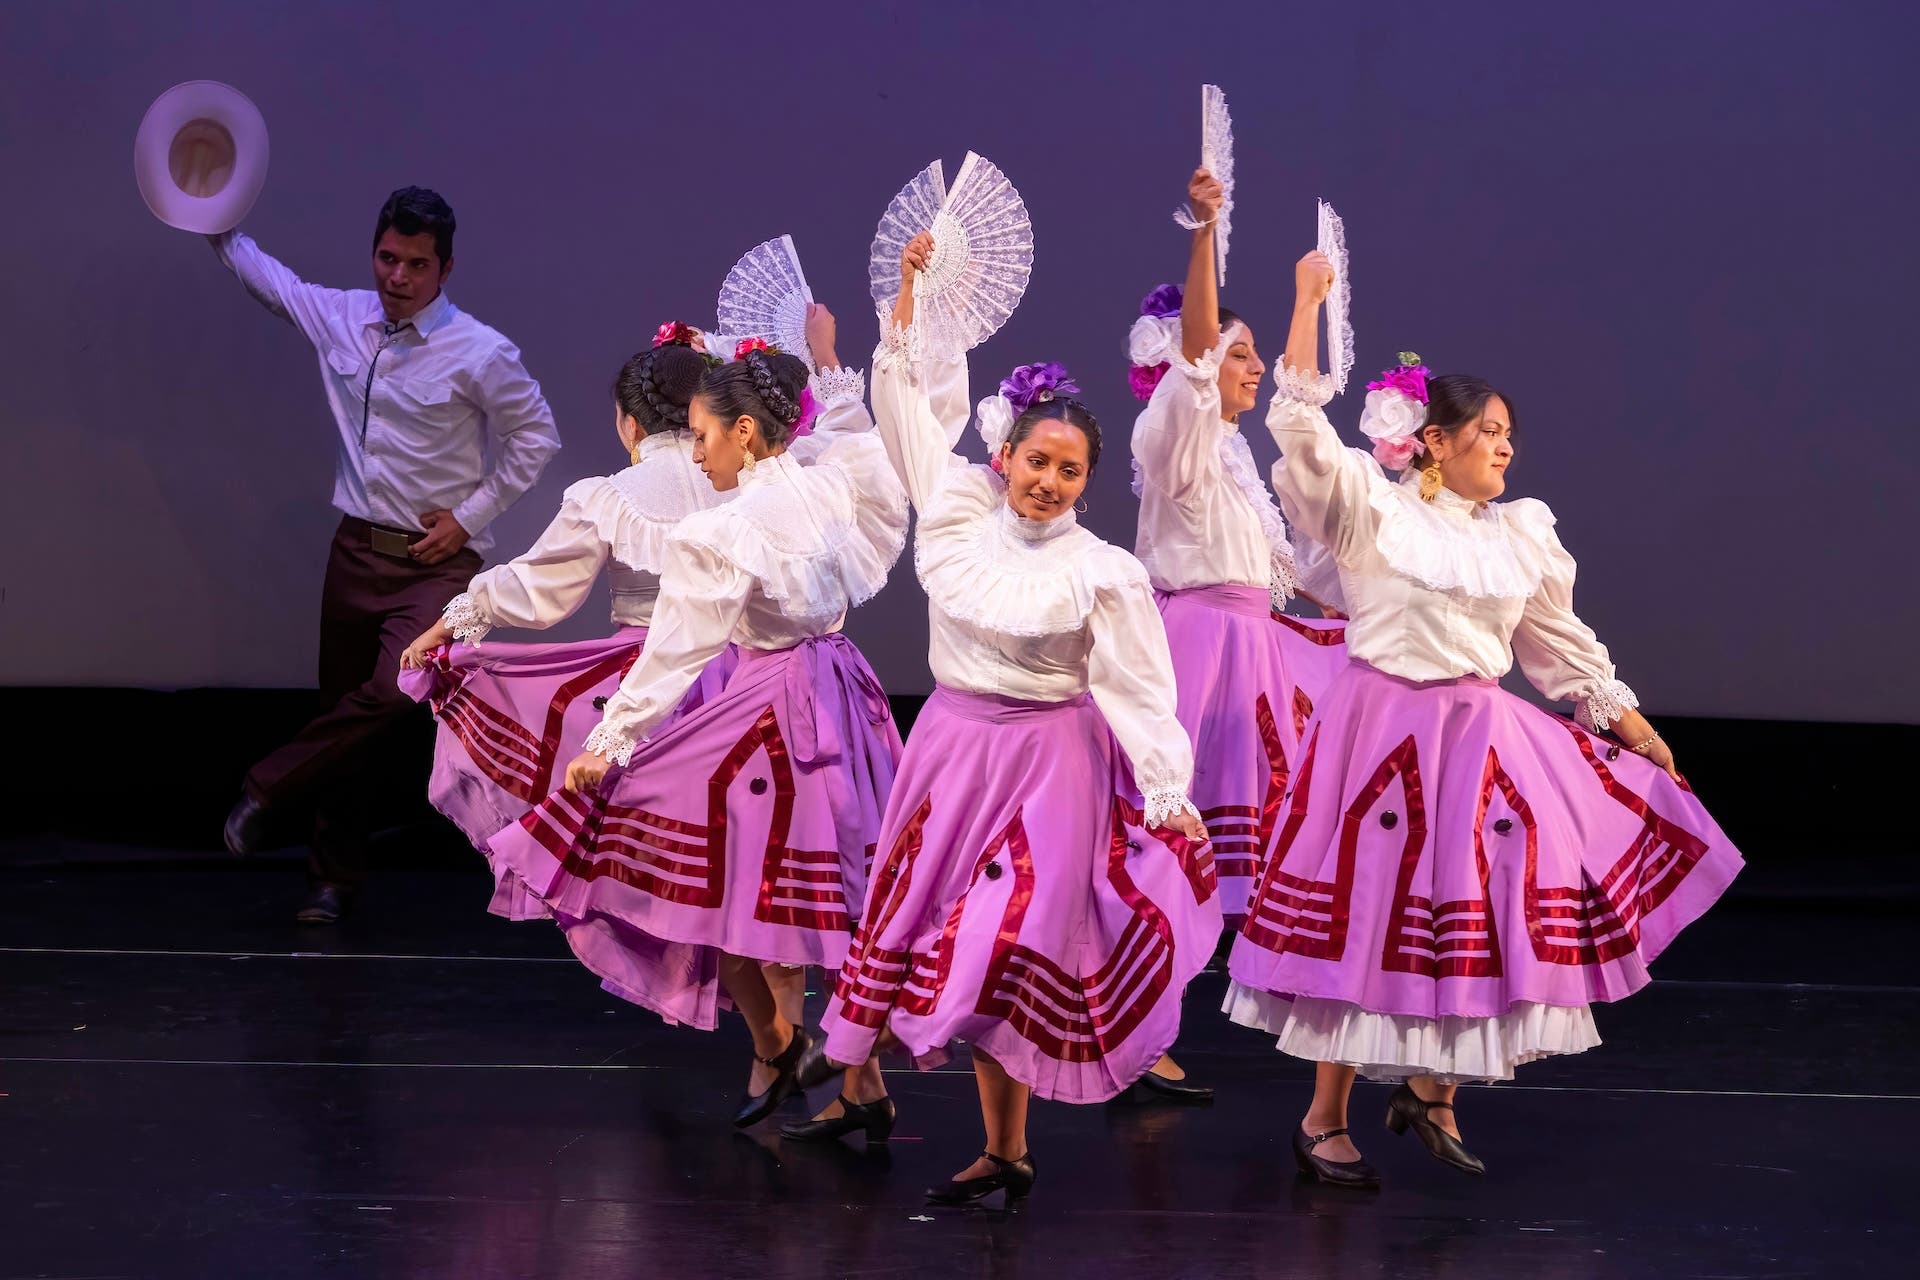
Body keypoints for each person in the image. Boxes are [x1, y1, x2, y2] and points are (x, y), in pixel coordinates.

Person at [1225, 249, 1745, 1188]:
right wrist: (1306, 304)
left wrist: (1630, 725)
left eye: (1510, 434)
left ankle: (1433, 1091)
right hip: (1381, 735)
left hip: (1478, 738)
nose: (1506, 447)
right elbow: (1298, 425)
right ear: (1434, 440)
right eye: (1489, 432)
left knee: (1475, 909)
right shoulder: (1371, 514)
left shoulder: (1520, 535)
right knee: (1371, 923)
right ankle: (1323, 1118)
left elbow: (1558, 641)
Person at [800, 232, 1220, 1208]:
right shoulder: (954, 506)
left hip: (1051, 765)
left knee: (1012, 941)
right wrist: (907, 289)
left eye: (1070, 472)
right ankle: (997, 1142)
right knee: (935, 931)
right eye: (1039, 461)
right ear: (1008, 454)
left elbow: (1137, 687)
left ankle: (973, 1126)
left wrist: (1166, 789)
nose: (1050, 482)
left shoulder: (1101, 571)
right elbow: (903, 401)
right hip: (950, 749)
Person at [484, 330, 906, 1130]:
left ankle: (806, 1059)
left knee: (728, 884)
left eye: (706, 436)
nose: (700, 456)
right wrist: (833, 369)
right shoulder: (829, 481)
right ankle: (851, 1079)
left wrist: (611, 741)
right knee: (833, 892)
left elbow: (680, 642)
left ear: (743, 433)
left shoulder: (730, 526)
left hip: (772, 705)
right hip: (846, 692)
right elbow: (867, 461)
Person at [214, 186, 561, 924]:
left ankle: (263, 789)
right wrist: (213, 222)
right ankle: (333, 881)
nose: (396, 275)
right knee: (344, 714)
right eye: (387, 257)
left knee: (391, 691)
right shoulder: (342, 315)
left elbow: (537, 435)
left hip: (437, 564)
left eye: (415, 264)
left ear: (445, 269)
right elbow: (270, 280)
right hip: (356, 552)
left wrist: (469, 520)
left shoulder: (480, 350)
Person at [395, 323, 746, 918]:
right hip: (744, 683)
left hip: (645, 683)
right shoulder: (745, 482)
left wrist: (449, 625)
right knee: (738, 848)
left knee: (646, 862)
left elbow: (538, 585)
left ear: (630, 425)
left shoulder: (613, 495)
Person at [1129, 168, 1349, 928]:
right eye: (1240, 354)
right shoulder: (1175, 429)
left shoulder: (1232, 448)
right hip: (1203, 644)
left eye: (1254, 355)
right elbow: (1194, 357)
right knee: (1173, 824)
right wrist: (1204, 233)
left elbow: (1279, 564)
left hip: (1252, 641)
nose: (1254, 367)